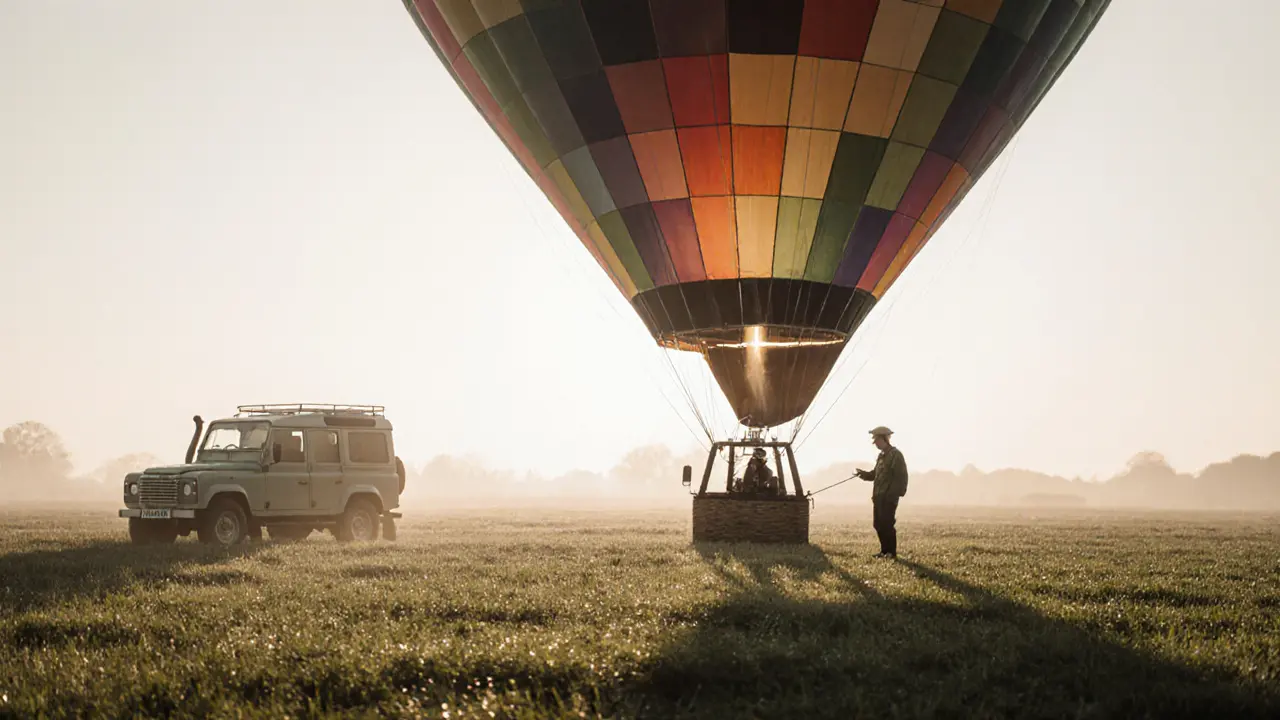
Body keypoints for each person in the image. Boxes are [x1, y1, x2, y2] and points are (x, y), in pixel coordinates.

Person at [854, 426, 908, 558]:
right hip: (878, 496)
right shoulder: (881, 456)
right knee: (878, 524)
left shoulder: (896, 455)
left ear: (885, 439)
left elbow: (901, 476)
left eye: (877, 440)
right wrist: (863, 474)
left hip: (889, 497)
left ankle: (891, 552)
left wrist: (893, 494)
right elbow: (875, 474)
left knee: (887, 524)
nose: (875, 443)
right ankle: (884, 551)